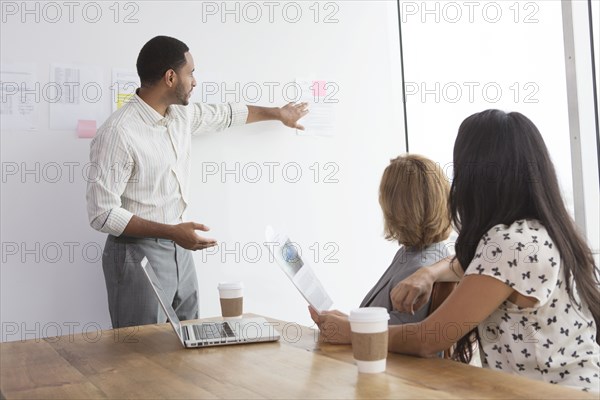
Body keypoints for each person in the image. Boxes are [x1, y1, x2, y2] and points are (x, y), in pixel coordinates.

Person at [315, 110, 600, 392]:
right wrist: (429, 273)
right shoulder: (539, 231)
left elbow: (429, 338)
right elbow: (472, 265)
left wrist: (355, 331)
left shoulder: (510, 244)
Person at [87, 36, 308, 328]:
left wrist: (278, 113)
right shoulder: (118, 133)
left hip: (181, 250)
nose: (194, 81)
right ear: (170, 77)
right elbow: (102, 214)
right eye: (191, 72)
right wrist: (171, 232)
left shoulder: (179, 115)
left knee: (188, 344)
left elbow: (226, 114)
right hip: (135, 254)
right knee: (140, 354)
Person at [309, 154, 452, 343]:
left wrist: (350, 329)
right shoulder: (423, 254)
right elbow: (391, 321)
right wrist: (348, 322)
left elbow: (403, 336)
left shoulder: (418, 267)